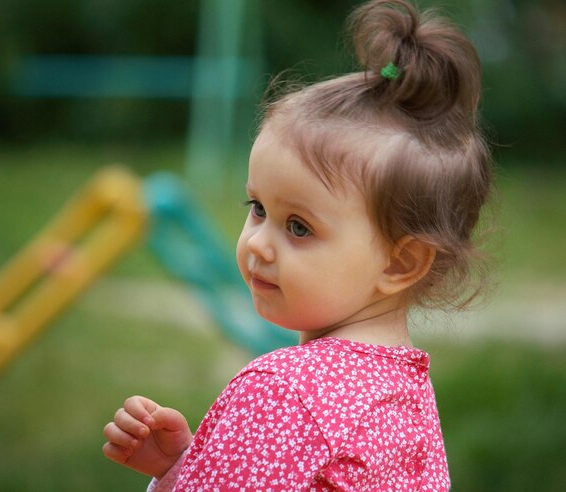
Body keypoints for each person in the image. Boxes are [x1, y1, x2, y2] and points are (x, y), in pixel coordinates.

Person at [102, 0, 494, 489]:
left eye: (299, 227)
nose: (259, 245)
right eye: (258, 209)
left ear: (401, 262)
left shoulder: (284, 394)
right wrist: (192, 466)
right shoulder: (404, 393)